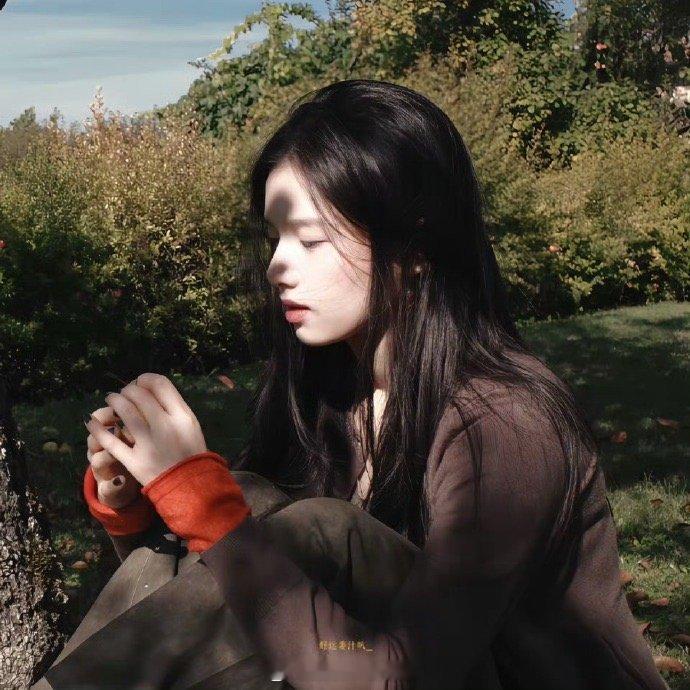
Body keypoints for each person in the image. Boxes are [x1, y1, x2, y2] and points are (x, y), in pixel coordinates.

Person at [34, 79, 669, 689]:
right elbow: (227, 613)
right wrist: (142, 511)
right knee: (251, 501)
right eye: (276, 238)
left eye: (310, 239)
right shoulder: (328, 397)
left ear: (414, 249)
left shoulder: (506, 426)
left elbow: (393, 677)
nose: (278, 265)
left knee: (313, 530)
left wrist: (206, 507)